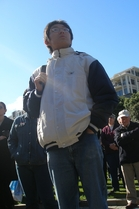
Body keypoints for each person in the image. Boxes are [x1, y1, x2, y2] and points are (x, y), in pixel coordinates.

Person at [24, 20, 119, 209]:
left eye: (66, 29)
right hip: (54, 148)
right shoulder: (38, 73)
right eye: (56, 30)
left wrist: (92, 127)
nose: (62, 32)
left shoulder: (86, 61)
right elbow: (30, 111)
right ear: (46, 41)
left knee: (97, 201)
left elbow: (108, 97)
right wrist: (38, 92)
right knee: (66, 204)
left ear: (71, 36)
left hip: (85, 140)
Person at [8, 92, 58, 209]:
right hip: (22, 165)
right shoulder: (17, 121)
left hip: (41, 165)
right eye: (25, 99)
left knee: (48, 198)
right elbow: (11, 140)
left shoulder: (44, 118)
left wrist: (45, 155)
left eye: (29, 99)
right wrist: (16, 155)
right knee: (30, 200)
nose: (27, 102)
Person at [114, 109, 139, 209]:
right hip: (125, 158)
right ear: (119, 120)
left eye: (126, 118)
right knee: (128, 182)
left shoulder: (137, 126)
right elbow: (119, 142)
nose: (124, 120)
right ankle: (131, 201)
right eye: (122, 118)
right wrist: (130, 137)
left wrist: (124, 136)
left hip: (138, 157)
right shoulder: (117, 130)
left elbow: (137, 134)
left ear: (129, 118)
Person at [0, 102, 17, 209]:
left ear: (5, 110)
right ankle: (8, 203)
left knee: (4, 181)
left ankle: (9, 203)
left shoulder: (11, 123)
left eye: (0, 107)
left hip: (8, 158)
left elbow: (14, 138)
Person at [101, 114, 120, 194]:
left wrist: (116, 145)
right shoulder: (104, 129)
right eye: (108, 118)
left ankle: (126, 186)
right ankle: (115, 187)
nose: (110, 119)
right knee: (112, 170)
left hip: (118, 151)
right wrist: (109, 145)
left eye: (111, 118)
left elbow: (119, 137)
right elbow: (103, 139)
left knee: (122, 170)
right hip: (109, 152)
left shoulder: (118, 127)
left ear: (114, 119)